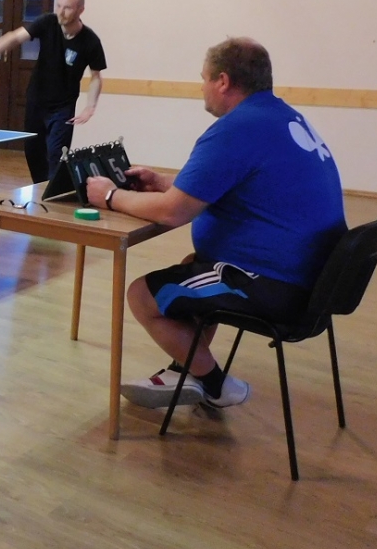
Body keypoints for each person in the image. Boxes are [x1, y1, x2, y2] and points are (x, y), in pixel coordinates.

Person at [83, 37, 346, 409]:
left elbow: (173, 213)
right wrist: (164, 183)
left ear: (223, 81)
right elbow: (237, 185)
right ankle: (186, 368)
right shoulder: (280, 117)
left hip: (278, 287)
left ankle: (216, 386)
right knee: (194, 266)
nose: (202, 88)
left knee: (142, 295)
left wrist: (110, 196)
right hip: (315, 280)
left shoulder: (237, 129)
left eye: (204, 78)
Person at [0, 0, 105, 183]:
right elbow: (14, 37)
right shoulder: (47, 22)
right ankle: (40, 190)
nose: (61, 12)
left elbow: (96, 76)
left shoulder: (90, 41)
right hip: (36, 101)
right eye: (59, 6)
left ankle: (54, 193)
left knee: (56, 154)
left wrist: (90, 107)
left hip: (63, 108)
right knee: (33, 152)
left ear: (81, 10)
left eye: (68, 8)